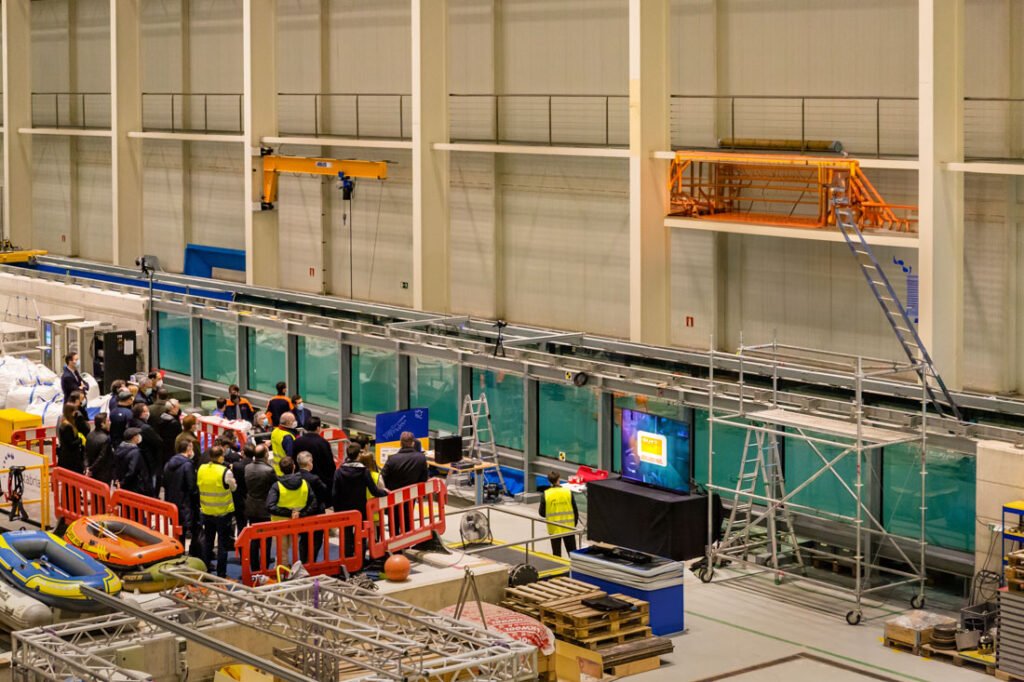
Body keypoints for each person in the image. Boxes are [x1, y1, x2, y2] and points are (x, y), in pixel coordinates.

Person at [334, 444, 386, 549]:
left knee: (346, 535)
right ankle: (360, 559)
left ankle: (347, 558)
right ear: (358, 456)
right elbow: (374, 490)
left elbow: (335, 493)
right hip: (361, 509)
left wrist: (337, 510)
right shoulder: (364, 471)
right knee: (361, 534)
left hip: (344, 509)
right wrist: (385, 493)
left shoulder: (339, 471)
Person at [267, 456, 317, 563]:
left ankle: (283, 573)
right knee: (298, 551)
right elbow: (313, 504)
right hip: (299, 523)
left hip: (280, 524)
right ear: (294, 467)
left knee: (282, 552)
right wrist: (300, 513)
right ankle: (300, 570)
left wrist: (289, 513)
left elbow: (270, 506)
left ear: (280, 469)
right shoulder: (304, 483)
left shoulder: (277, 486)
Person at [197, 445, 237, 578]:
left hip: (207, 511)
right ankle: (221, 573)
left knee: (208, 543)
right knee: (222, 545)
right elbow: (233, 488)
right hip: (223, 513)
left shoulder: (202, 469)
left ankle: (206, 570)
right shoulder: (225, 472)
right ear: (220, 457)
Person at [163, 439, 199, 555]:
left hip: (172, 501)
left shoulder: (168, 463)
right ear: (188, 449)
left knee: (178, 530)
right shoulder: (187, 465)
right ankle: (185, 553)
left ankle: (178, 552)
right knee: (188, 530)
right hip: (186, 502)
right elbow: (192, 486)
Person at [243, 444, 276, 570]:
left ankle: (254, 566)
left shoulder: (248, 467)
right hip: (264, 508)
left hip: (251, 506)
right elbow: (275, 486)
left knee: (254, 539)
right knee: (266, 540)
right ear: (266, 455)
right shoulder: (269, 470)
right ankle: (265, 565)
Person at [295, 451, 329, 560]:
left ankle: (303, 561)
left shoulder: (294, 477)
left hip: (301, 512)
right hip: (316, 514)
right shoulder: (314, 479)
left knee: (304, 539)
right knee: (316, 539)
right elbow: (325, 492)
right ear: (309, 463)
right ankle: (311, 562)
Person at [539, 471, 579, 557]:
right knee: (572, 553)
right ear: (558, 479)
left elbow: (541, 513)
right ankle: (575, 569)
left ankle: (558, 568)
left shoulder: (546, 494)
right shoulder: (567, 492)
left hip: (554, 527)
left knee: (556, 554)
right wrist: (574, 524)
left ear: (549, 481)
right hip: (568, 527)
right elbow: (575, 510)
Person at [130, 403, 164, 494]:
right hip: (149, 457)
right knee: (151, 479)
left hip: (141, 456)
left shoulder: (132, 422)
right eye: (145, 411)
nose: (148, 413)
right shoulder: (145, 428)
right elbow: (158, 441)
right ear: (140, 414)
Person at [293, 417, 335, 491]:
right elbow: (330, 465)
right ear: (318, 428)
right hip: (320, 483)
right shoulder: (323, 443)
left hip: (300, 481)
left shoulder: (297, 442)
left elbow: (293, 460)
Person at [359, 449, 386, 542]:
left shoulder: (357, 475)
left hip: (361, 509)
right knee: (375, 535)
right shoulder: (377, 476)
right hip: (375, 511)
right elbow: (382, 490)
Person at [114, 428, 151, 495]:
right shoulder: (135, 453)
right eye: (138, 435)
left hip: (123, 485)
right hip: (135, 487)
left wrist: (119, 482)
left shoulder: (119, 449)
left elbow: (115, 467)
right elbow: (132, 471)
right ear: (134, 438)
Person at [85, 413, 114, 483]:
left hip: (92, 471)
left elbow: (85, 453)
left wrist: (88, 467)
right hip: (103, 473)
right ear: (102, 424)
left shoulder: (89, 435)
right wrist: (91, 468)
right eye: (107, 421)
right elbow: (102, 457)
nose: (109, 423)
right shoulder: (105, 439)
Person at [231, 442, 254, 533]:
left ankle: (241, 545)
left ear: (243, 453)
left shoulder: (236, 466)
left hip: (239, 498)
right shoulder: (256, 466)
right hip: (252, 499)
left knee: (241, 525)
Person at [57, 403, 86, 473]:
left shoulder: (63, 423)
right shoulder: (67, 426)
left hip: (67, 456)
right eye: (74, 411)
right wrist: (80, 440)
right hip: (70, 459)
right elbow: (70, 443)